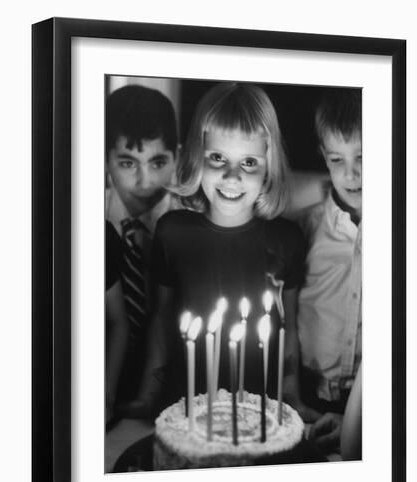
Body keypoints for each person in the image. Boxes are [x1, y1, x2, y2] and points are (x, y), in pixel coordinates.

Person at [127, 82, 312, 418]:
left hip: (260, 409)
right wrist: (147, 394)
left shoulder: (287, 240)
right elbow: (162, 319)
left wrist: (293, 400)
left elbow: (290, 329)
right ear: (198, 157)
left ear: (269, 166)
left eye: (249, 162)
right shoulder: (173, 232)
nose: (232, 176)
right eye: (217, 158)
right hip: (184, 406)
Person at [105, 84, 179, 425]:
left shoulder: (189, 225)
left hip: (171, 390)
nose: (144, 180)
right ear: (105, 160)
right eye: (127, 162)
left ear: (176, 157)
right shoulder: (85, 220)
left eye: (158, 161)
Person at [295, 88, 362, 451]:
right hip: (308, 400)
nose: (351, 174)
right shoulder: (307, 227)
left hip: (374, 407)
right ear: (324, 156)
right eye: (337, 159)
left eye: (363, 156)